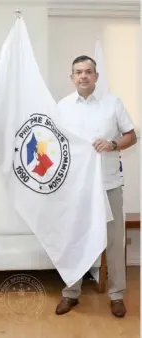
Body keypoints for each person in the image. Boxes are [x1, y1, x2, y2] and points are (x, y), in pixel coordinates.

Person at [56, 55, 137, 318]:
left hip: (109, 184)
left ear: (96, 76)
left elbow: (131, 136)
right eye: (78, 72)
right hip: (76, 189)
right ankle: (71, 293)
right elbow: (56, 145)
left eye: (88, 71)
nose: (83, 76)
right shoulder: (62, 107)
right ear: (72, 77)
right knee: (74, 240)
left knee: (114, 242)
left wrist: (113, 145)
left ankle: (116, 295)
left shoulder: (112, 103)